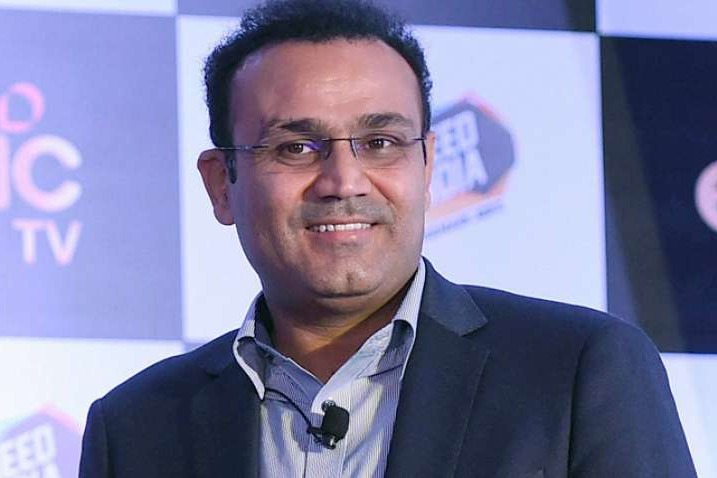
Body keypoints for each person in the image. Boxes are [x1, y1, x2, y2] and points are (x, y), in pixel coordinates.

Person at [79, 0, 697, 476]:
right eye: (297, 147)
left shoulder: (579, 370)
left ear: (427, 167)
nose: (344, 181)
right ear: (222, 185)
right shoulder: (135, 427)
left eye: (380, 142)